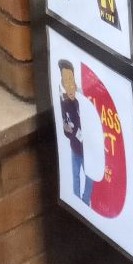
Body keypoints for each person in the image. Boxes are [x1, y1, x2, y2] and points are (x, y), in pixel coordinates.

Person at [58, 59, 93, 205]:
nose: (69, 87)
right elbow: (65, 125)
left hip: (85, 148)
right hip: (74, 148)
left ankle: (85, 200)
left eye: (71, 81)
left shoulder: (82, 101)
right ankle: (77, 200)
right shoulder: (64, 103)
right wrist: (69, 132)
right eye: (66, 83)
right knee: (75, 176)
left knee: (89, 175)